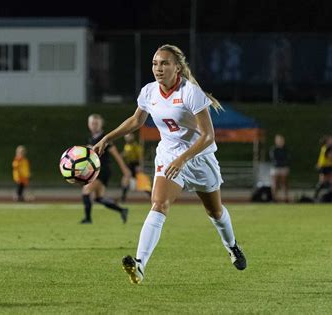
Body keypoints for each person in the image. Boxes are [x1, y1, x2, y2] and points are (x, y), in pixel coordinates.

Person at [92, 44, 247, 284]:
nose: (158, 68)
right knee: (159, 204)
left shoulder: (190, 92)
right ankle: (140, 264)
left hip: (198, 158)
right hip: (168, 155)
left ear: (177, 67)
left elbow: (208, 136)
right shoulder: (149, 92)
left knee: (214, 211)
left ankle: (232, 245)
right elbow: (136, 120)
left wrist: (183, 158)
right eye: (155, 63)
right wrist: (107, 137)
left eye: (164, 63)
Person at [80, 114, 131, 224]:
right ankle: (122, 210)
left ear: (101, 125)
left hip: (102, 170)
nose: (94, 126)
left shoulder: (104, 138)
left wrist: (125, 169)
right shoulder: (90, 138)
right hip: (96, 170)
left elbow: (116, 154)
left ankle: (88, 219)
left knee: (86, 192)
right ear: (88, 125)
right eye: (92, 123)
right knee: (98, 198)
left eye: (96, 123)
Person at [120, 133, 151, 202]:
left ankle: (151, 195)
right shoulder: (126, 146)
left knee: (141, 182)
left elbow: (140, 157)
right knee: (125, 180)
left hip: (135, 165)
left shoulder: (135, 145)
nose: (127, 138)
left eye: (129, 137)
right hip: (129, 165)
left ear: (132, 137)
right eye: (126, 137)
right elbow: (126, 154)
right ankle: (123, 198)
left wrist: (139, 166)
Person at [269, 134, 290, 202]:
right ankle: (274, 198)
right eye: (279, 140)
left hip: (284, 168)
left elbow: (287, 158)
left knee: (284, 183)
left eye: (282, 140)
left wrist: (284, 163)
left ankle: (286, 198)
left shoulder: (285, 149)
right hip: (275, 168)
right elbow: (273, 159)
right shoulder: (273, 149)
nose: (281, 141)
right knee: (275, 184)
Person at [314, 135, 332, 201]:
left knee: (326, 181)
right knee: (329, 181)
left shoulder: (324, 147)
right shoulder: (328, 148)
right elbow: (330, 157)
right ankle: (331, 196)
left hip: (324, 166)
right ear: (327, 141)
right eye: (331, 140)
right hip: (326, 167)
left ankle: (316, 196)